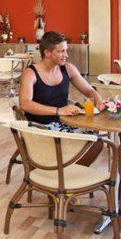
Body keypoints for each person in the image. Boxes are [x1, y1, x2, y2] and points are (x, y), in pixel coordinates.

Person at [18, 30, 104, 165]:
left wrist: (98, 99)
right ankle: (63, 171)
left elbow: (89, 90)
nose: (66, 55)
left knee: (97, 141)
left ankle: (67, 171)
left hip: (64, 124)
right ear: (47, 53)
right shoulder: (30, 73)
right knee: (95, 142)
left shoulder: (68, 69)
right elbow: (24, 104)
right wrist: (59, 111)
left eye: (66, 50)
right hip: (41, 128)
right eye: (61, 51)